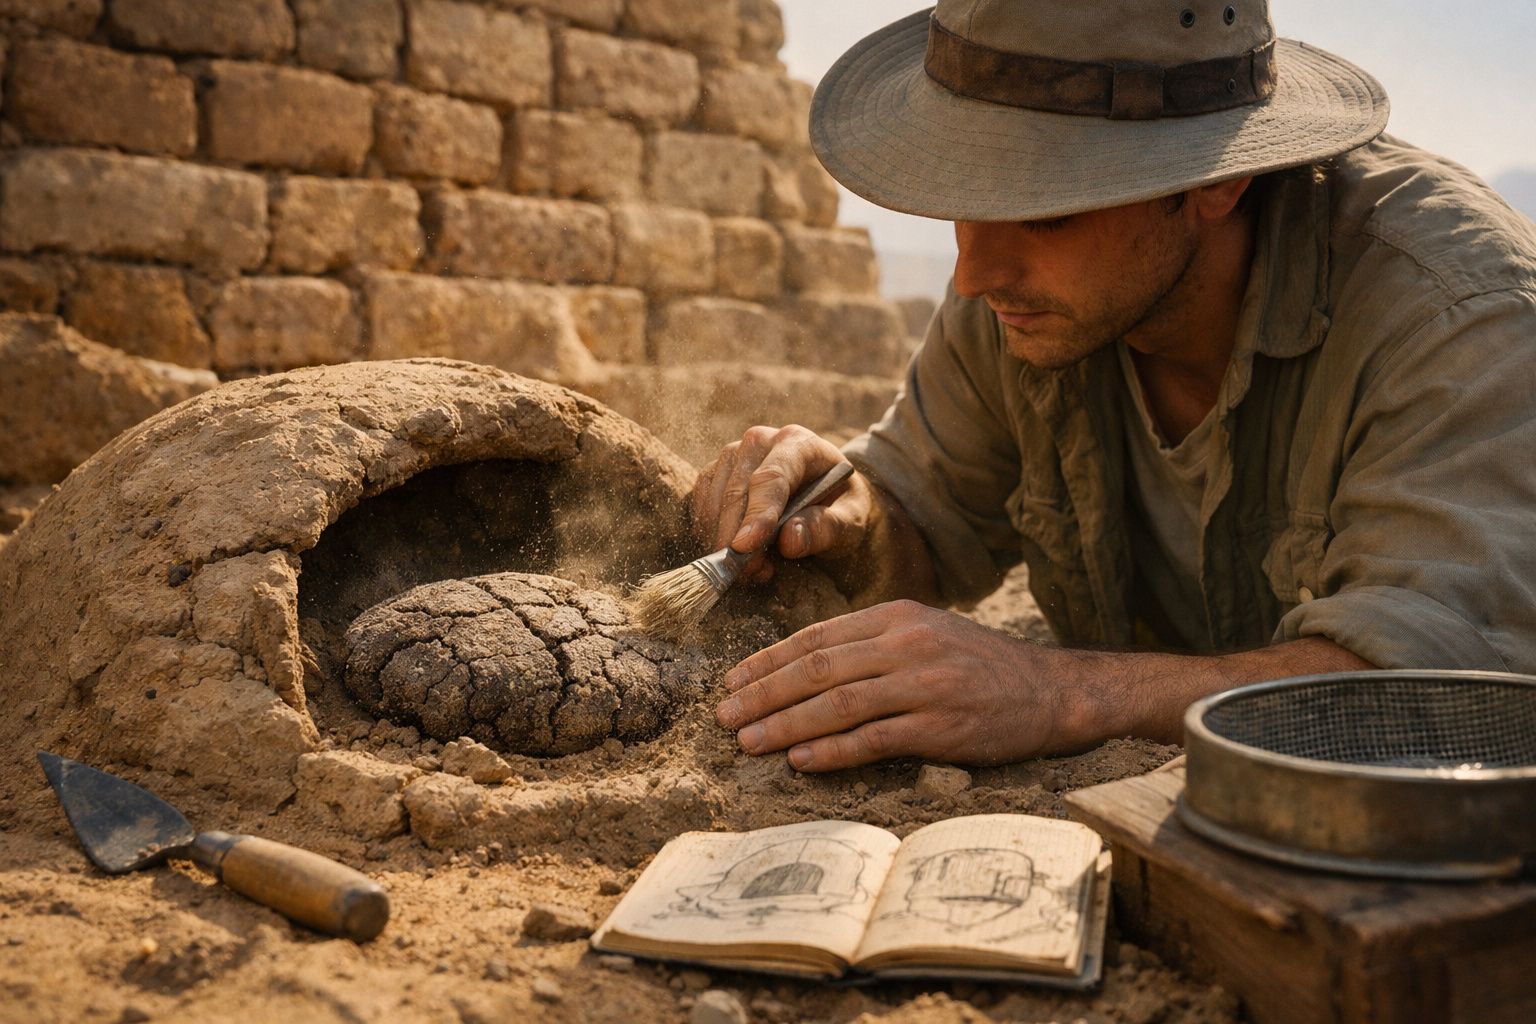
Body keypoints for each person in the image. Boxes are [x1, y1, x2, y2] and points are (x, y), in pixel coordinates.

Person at [692, 0, 1536, 772]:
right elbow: (925, 521)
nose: (975, 272)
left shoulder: (1455, 317)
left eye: (1043, 210)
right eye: (960, 196)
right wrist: (846, 517)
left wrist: (1059, 693)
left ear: (1215, 181)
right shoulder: (1022, 299)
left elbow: (1442, 689)